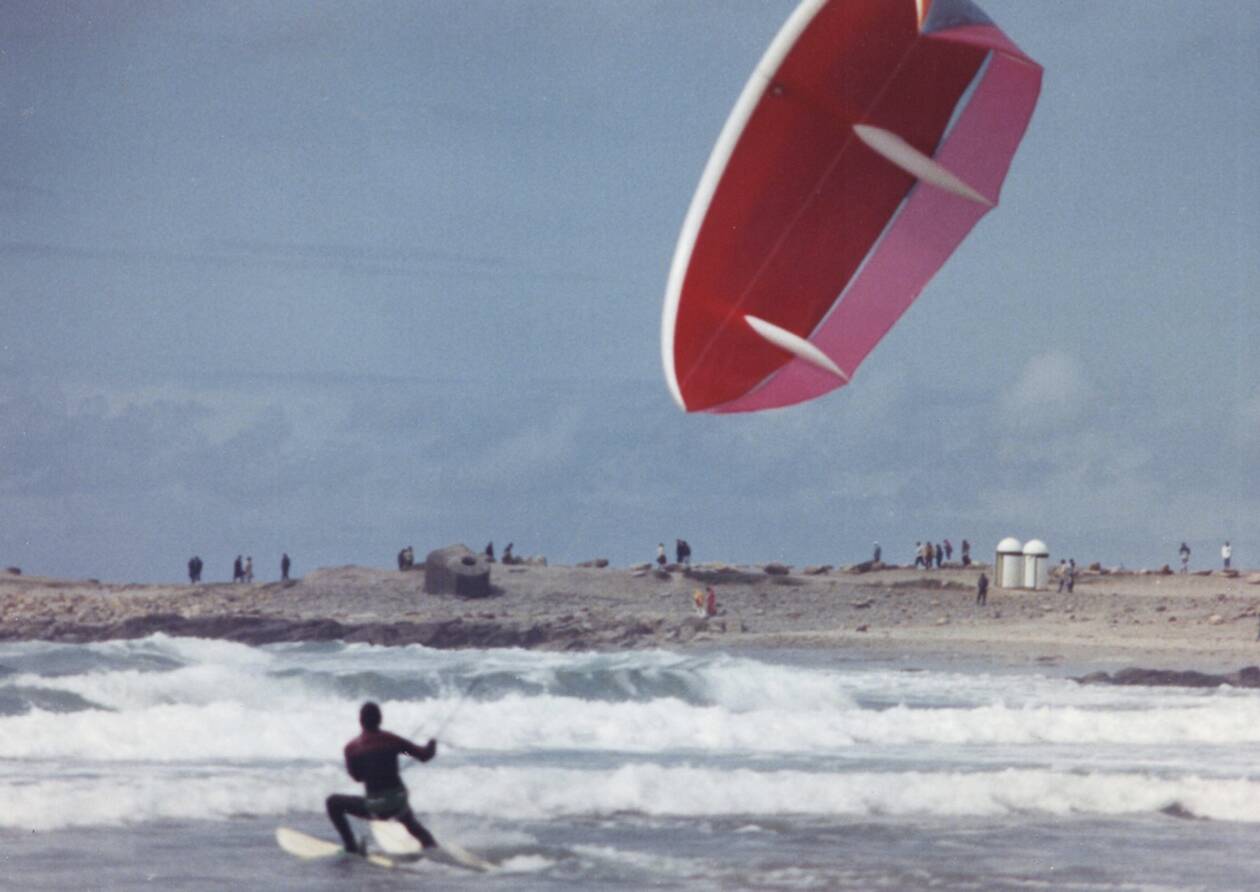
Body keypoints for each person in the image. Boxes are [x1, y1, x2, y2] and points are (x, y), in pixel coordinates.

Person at [326, 702, 439, 855]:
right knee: (414, 828)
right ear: (380, 719)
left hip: (375, 807)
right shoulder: (391, 739)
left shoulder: (351, 749)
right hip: (398, 804)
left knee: (332, 802)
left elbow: (357, 778)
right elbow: (425, 756)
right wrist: (432, 745)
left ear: (360, 721)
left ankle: (350, 846)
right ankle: (433, 848)